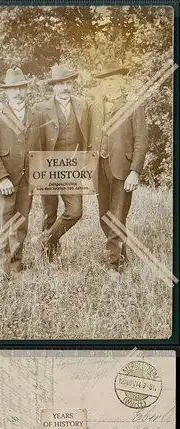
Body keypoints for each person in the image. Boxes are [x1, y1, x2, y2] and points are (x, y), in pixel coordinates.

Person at [0, 67, 44, 289]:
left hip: (27, 180)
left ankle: (16, 266)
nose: (17, 92)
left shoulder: (36, 115)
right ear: (6, 92)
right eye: (12, 88)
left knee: (20, 224)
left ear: (26, 89)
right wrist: (2, 178)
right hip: (2, 182)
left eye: (21, 87)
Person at [88, 61, 148, 275]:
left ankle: (112, 265)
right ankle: (121, 255)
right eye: (105, 81)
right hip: (99, 167)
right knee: (104, 215)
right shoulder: (95, 107)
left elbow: (141, 140)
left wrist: (135, 171)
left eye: (113, 80)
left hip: (123, 169)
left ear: (122, 81)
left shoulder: (133, 104)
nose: (109, 84)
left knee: (117, 214)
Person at [35, 64, 88, 261]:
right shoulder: (40, 109)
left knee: (75, 211)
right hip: (47, 168)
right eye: (60, 84)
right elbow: (33, 137)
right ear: (53, 87)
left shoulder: (83, 105)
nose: (65, 87)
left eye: (67, 83)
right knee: (49, 213)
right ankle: (48, 257)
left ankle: (44, 239)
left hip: (72, 169)